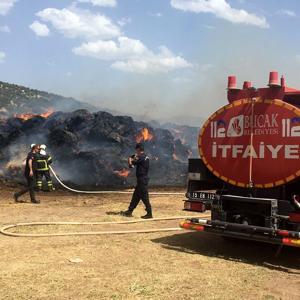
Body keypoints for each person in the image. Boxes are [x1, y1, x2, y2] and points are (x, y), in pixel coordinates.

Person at [121, 143, 153, 219]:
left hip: (142, 180)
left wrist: (129, 159)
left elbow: (131, 165)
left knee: (145, 197)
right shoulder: (145, 157)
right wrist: (134, 157)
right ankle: (129, 211)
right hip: (142, 179)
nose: (136, 151)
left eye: (136, 149)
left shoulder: (141, 157)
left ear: (138, 149)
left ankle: (149, 213)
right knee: (136, 196)